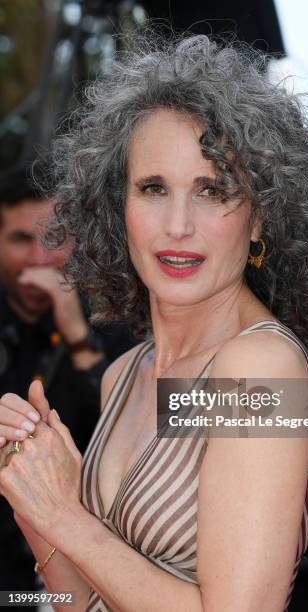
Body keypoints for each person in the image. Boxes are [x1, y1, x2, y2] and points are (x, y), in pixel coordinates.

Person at [0, 34, 308, 611]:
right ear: (115, 208)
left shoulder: (256, 369)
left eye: (211, 190)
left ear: (260, 216)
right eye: (152, 188)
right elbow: (82, 602)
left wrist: (66, 514)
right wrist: (32, 495)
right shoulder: (126, 373)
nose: (177, 225)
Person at [0, 169, 135, 598]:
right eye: (21, 239)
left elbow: (136, 435)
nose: (40, 259)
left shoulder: (118, 323)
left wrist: (78, 338)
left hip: (89, 565)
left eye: (53, 238)